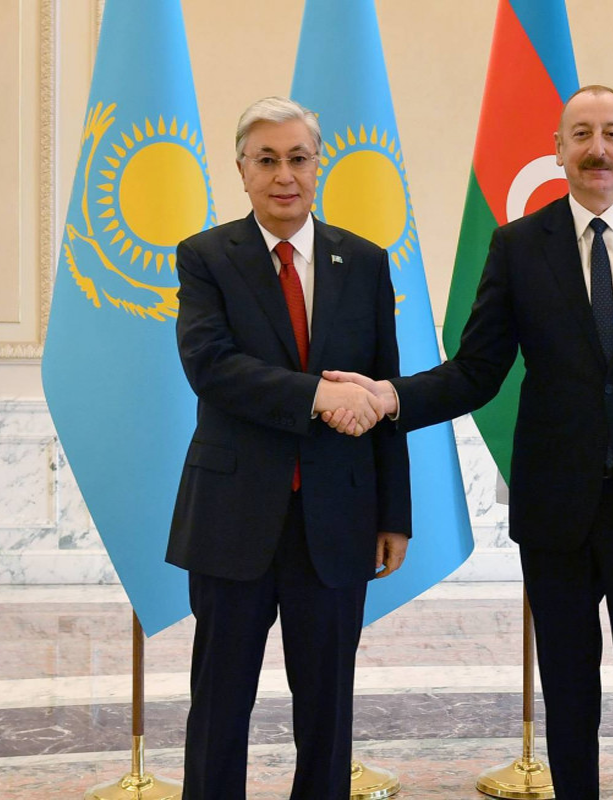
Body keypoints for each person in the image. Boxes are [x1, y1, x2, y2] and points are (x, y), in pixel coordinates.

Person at [323, 85, 613, 799]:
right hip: (556, 511)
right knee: (568, 696)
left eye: (611, 133)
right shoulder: (518, 246)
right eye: (580, 134)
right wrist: (391, 396)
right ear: (558, 150)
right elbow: (476, 371)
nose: (596, 148)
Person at [166, 96, 411, 800]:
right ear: (241, 169)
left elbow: (384, 389)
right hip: (233, 518)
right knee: (219, 707)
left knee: (328, 714)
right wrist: (315, 397)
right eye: (267, 160)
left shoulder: (364, 261)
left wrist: (394, 514)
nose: (284, 175)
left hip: (337, 521)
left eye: (298, 159)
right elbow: (210, 366)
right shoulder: (206, 257)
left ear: (317, 165)